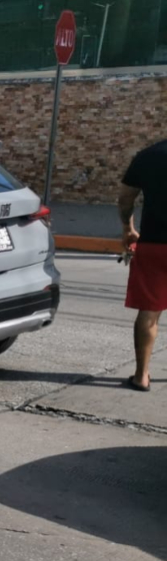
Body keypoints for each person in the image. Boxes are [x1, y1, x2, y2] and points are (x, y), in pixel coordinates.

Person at [118, 138, 167, 392]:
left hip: (155, 245)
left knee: (149, 312)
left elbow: (126, 198)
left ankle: (141, 376)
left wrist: (128, 229)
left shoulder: (148, 155)